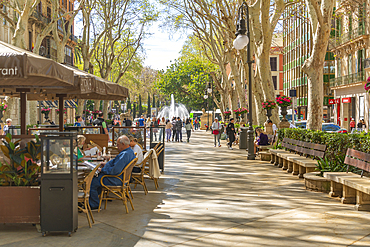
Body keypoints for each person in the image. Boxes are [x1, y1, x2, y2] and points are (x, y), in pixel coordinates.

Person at [89, 135, 135, 209]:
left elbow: (115, 170)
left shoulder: (124, 154)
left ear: (123, 144)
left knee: (93, 181)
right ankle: (94, 200)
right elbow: (114, 162)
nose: (117, 147)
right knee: (97, 179)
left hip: (117, 179)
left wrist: (102, 170)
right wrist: (106, 164)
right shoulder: (129, 152)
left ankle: (94, 204)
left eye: (118, 145)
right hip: (122, 178)